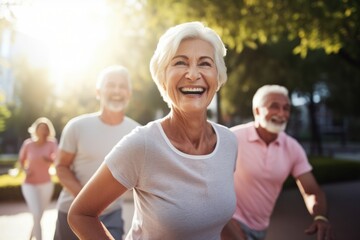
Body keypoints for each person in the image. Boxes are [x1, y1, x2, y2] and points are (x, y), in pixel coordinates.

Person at [68, 21, 238, 240]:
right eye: (180, 62)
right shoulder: (143, 144)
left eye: (205, 63)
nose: (193, 74)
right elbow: (81, 214)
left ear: (218, 78)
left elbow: (215, 214)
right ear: (162, 78)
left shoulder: (229, 142)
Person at [221, 84, 334, 240]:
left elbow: (311, 190)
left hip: (261, 229)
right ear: (257, 111)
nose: (281, 113)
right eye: (274, 106)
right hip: (228, 224)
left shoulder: (293, 148)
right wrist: (226, 222)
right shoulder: (232, 138)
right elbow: (206, 181)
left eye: (286, 108)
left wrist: (320, 217)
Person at [53, 65, 140, 240]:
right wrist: (87, 201)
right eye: (111, 85)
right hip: (71, 212)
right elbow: (61, 167)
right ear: (98, 92)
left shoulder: (138, 132)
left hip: (112, 215)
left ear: (129, 93)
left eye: (122, 86)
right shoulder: (77, 127)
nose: (117, 90)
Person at [18, 117, 58, 240]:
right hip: (29, 184)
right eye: (41, 128)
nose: (43, 131)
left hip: (46, 184)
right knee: (36, 213)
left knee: (38, 215)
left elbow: (58, 160)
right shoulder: (28, 144)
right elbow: (21, 161)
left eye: (45, 129)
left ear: (48, 130)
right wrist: (25, 170)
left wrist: (48, 160)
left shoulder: (52, 143)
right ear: (36, 130)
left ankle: (30, 236)